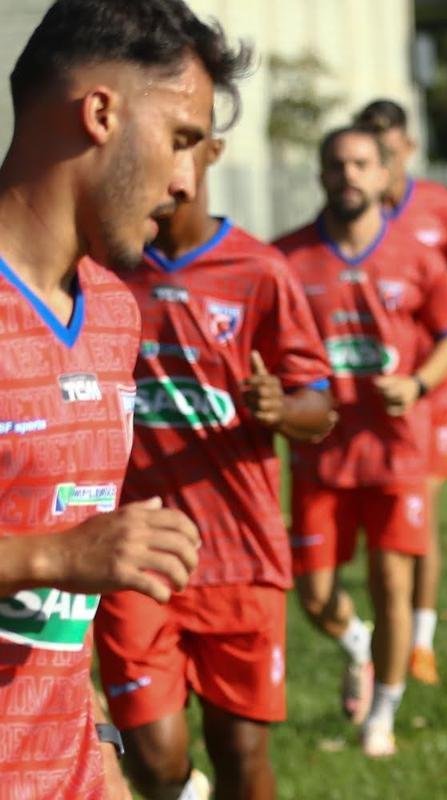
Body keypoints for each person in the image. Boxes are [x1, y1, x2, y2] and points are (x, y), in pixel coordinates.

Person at [0, 0, 251, 795]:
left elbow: (52, 631)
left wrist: (99, 753)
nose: (187, 180)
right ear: (101, 112)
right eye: (180, 139)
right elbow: (59, 562)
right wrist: (57, 557)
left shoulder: (113, 315)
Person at [94, 128, 333, 799]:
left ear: (212, 153)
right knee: (153, 756)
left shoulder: (260, 271)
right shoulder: (104, 269)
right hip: (136, 550)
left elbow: (321, 404)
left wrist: (280, 407)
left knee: (240, 751)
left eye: (182, 146)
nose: (166, 169)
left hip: (241, 554)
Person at [275, 126, 447, 757]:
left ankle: (381, 715)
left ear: (384, 174)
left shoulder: (416, 254)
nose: (348, 174)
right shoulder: (288, 259)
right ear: (321, 174)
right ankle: (357, 645)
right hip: (320, 454)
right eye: (336, 164)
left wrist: (417, 384)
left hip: (396, 452)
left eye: (361, 163)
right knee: (316, 596)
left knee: (392, 584)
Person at [354, 98, 447, 686]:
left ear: (406, 145)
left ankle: (420, 640)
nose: (381, 150)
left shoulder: (439, 205)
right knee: (379, 537)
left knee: (418, 511)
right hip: (371, 391)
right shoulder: (351, 208)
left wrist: (421, 286)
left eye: (389, 139)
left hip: (432, 377)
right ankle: (375, 634)